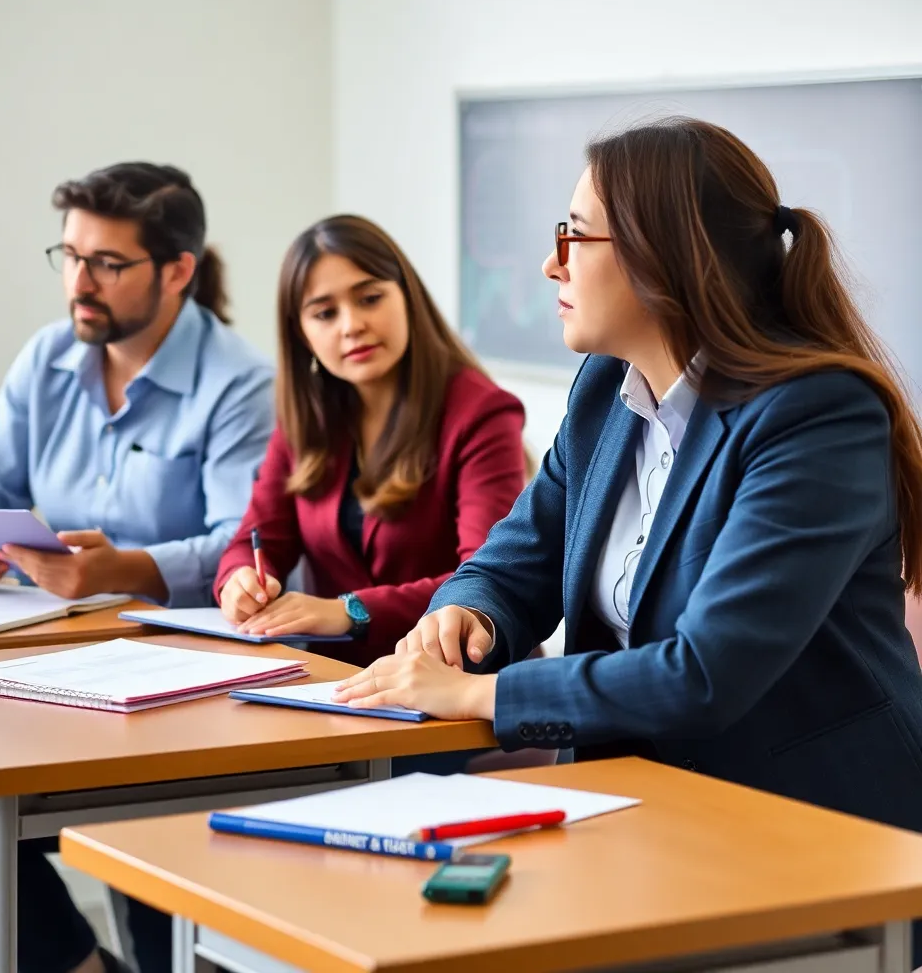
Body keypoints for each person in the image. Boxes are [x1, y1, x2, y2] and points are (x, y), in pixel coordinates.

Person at [333, 118, 922, 962]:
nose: (551, 265)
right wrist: (468, 617)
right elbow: (513, 559)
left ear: (662, 254)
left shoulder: (815, 417)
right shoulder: (609, 387)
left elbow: (706, 673)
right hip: (646, 810)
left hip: (816, 831)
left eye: (573, 237)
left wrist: (481, 697)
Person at [0, 162, 275, 973]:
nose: (79, 282)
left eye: (106, 263)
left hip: (175, 682)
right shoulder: (48, 359)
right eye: (68, 256)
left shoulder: (239, 383)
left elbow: (244, 543)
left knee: (141, 862)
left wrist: (124, 570)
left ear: (178, 271)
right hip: (42, 659)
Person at [214, 214, 528, 675]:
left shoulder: (480, 413)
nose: (351, 325)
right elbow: (255, 539)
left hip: (456, 682)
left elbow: (485, 576)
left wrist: (350, 610)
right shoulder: (308, 418)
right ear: (302, 333)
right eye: (324, 313)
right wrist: (237, 581)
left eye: (370, 298)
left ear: (407, 297)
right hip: (334, 682)